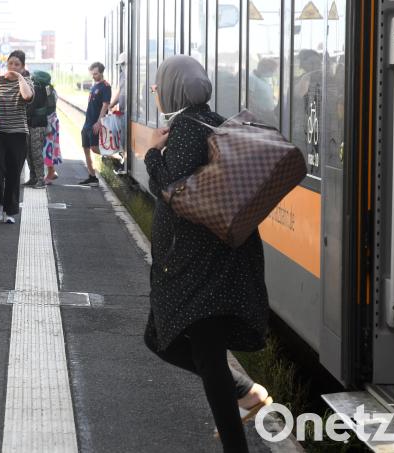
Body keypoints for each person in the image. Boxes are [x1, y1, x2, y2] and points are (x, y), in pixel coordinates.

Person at [142, 55, 272, 453]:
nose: (155, 91)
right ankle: (245, 392)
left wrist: (152, 153)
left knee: (200, 354)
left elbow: (172, 189)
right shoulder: (214, 121)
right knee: (160, 337)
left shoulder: (184, 129)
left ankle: (242, 415)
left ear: (172, 89)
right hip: (216, 256)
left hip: (197, 264)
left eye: (158, 85)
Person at [0, 50, 34, 224]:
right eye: (10, 63)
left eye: (17, 64)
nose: (12, 66)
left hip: (18, 134)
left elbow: (27, 96)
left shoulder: (27, 82)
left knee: (14, 173)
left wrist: (20, 77)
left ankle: (9, 211)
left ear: (23, 66)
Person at [78, 62, 111, 187]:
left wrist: (99, 122)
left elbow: (105, 105)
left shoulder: (106, 87)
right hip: (87, 123)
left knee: (94, 148)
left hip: (95, 123)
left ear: (101, 73)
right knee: (86, 148)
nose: (93, 76)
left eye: (96, 74)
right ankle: (92, 176)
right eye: (92, 74)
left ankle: (113, 159)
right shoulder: (94, 86)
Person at [23, 70, 54, 189]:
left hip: (36, 125)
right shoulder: (46, 89)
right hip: (38, 124)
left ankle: (40, 179)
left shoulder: (37, 89)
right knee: (31, 151)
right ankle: (34, 178)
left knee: (34, 152)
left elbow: (31, 108)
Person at [108, 51, 127, 173]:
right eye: (121, 64)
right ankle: (122, 161)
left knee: (125, 138)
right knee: (121, 137)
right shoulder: (122, 75)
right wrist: (111, 105)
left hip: (131, 112)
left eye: (123, 64)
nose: (122, 66)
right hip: (123, 111)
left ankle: (124, 163)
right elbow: (120, 91)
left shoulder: (136, 75)